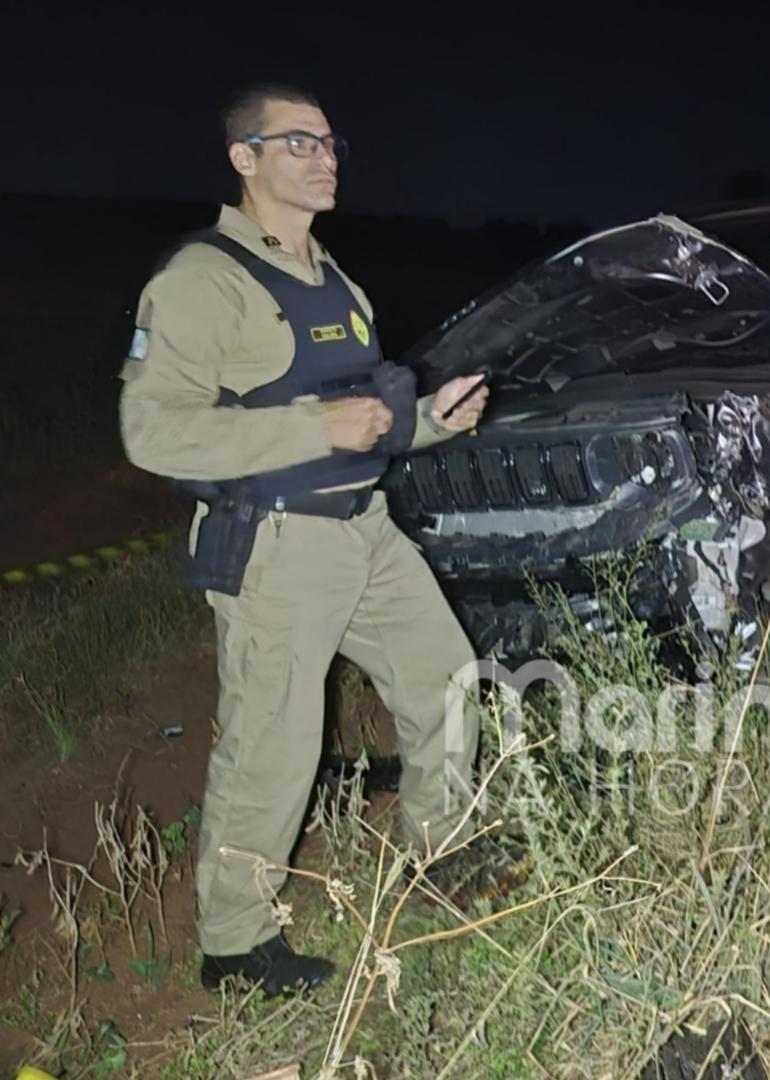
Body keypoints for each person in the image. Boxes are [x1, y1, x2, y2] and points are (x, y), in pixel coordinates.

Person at [119, 84, 498, 995]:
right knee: (273, 741)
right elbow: (152, 433)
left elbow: (365, 421)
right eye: (299, 142)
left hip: (365, 530)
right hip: (277, 545)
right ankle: (236, 945)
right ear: (243, 158)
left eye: (330, 143)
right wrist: (314, 427)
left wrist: (434, 420)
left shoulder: (336, 280)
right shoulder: (201, 279)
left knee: (445, 678)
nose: (325, 158)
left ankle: (439, 851)